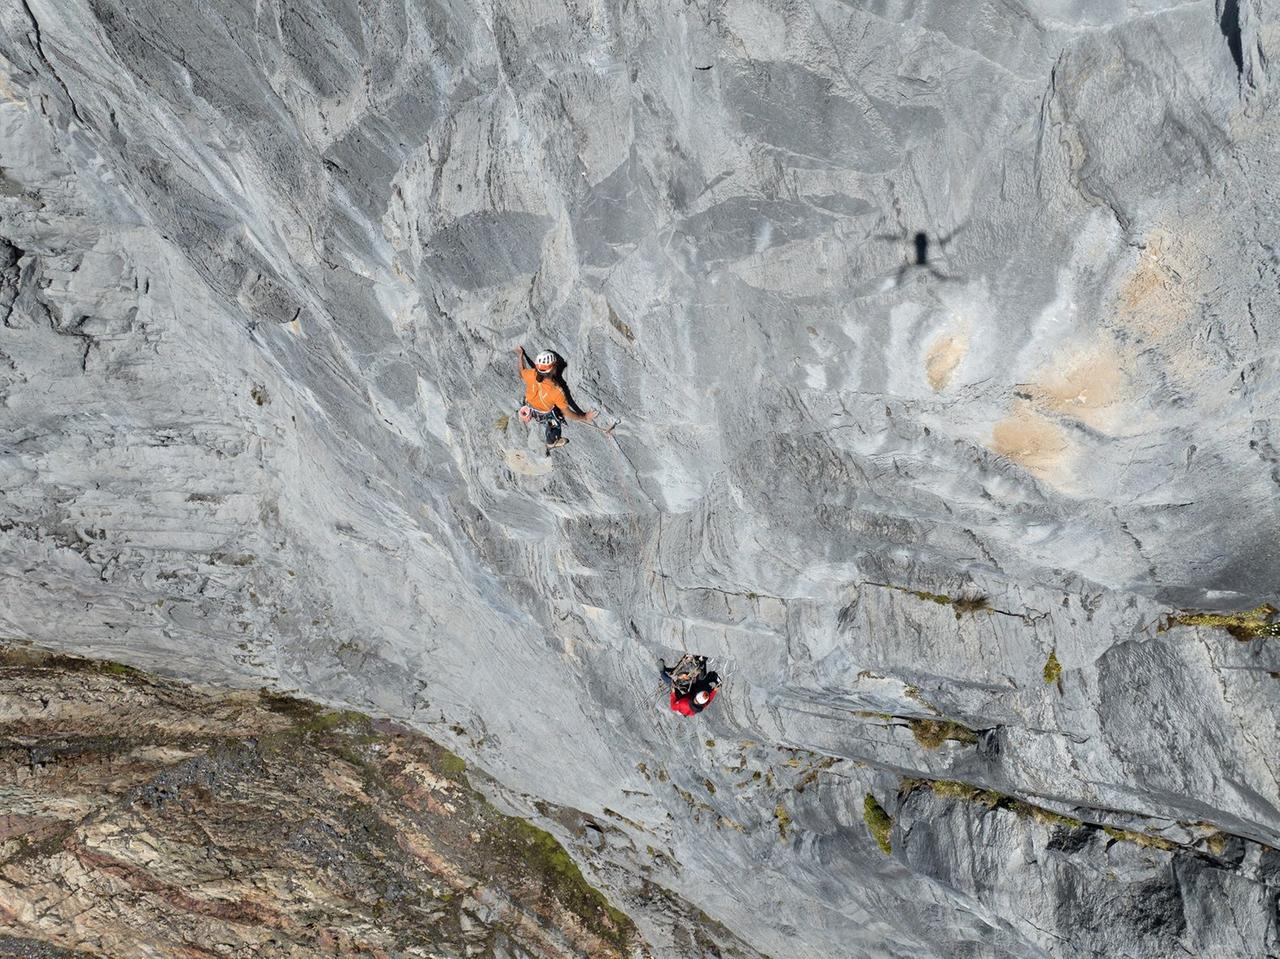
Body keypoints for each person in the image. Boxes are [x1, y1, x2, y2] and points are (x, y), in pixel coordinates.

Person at [515, 347, 598, 453]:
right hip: (546, 414)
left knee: (538, 407)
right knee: (554, 425)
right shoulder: (556, 391)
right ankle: (551, 442)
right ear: (554, 369)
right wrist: (585, 417)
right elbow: (567, 413)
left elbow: (521, 372)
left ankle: (528, 415)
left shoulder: (531, 374)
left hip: (530, 405)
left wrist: (520, 355)